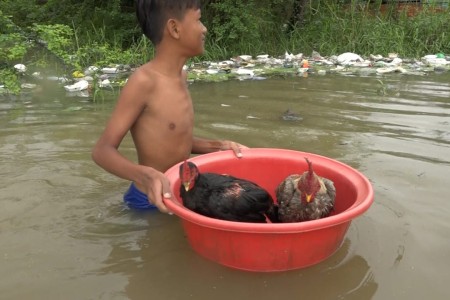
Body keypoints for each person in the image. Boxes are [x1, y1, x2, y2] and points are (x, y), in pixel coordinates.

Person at [92, 0, 246, 213]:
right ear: (174, 28)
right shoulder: (144, 81)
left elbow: (174, 139)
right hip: (148, 201)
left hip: (181, 192)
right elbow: (102, 151)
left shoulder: (181, 76)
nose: (204, 29)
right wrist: (143, 174)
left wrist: (218, 146)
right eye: (199, 20)